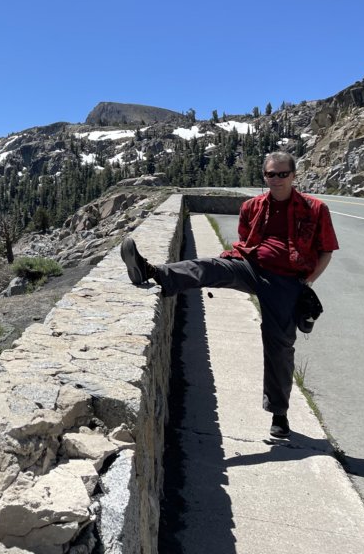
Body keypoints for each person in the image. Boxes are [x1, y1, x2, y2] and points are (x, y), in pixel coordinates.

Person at [121, 151, 339, 438]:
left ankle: (279, 414)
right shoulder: (251, 207)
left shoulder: (315, 208)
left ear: (293, 175)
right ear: (264, 176)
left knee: (279, 346)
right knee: (210, 267)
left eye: (282, 174)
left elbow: (326, 250)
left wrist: (306, 284)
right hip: (250, 267)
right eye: (271, 174)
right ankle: (151, 271)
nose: (276, 179)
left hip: (287, 281)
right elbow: (246, 240)